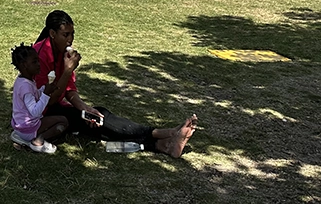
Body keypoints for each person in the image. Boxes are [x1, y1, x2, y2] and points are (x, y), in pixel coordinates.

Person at [33, 10, 198, 157]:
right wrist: (68, 71)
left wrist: (84, 107)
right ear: (52, 34)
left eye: (72, 34)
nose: (70, 40)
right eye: (65, 35)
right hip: (41, 112)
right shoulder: (39, 57)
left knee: (97, 117)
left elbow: (69, 89)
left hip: (56, 107)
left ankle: (160, 143)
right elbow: (48, 100)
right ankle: (162, 134)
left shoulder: (63, 54)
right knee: (97, 121)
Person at [10, 43, 71, 154]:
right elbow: (35, 112)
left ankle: (22, 136)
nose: (39, 64)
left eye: (38, 61)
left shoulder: (23, 80)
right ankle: (37, 141)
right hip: (28, 127)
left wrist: (44, 89)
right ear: (24, 65)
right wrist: (46, 94)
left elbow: (33, 96)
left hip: (20, 125)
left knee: (58, 120)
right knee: (63, 122)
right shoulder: (26, 86)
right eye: (34, 62)